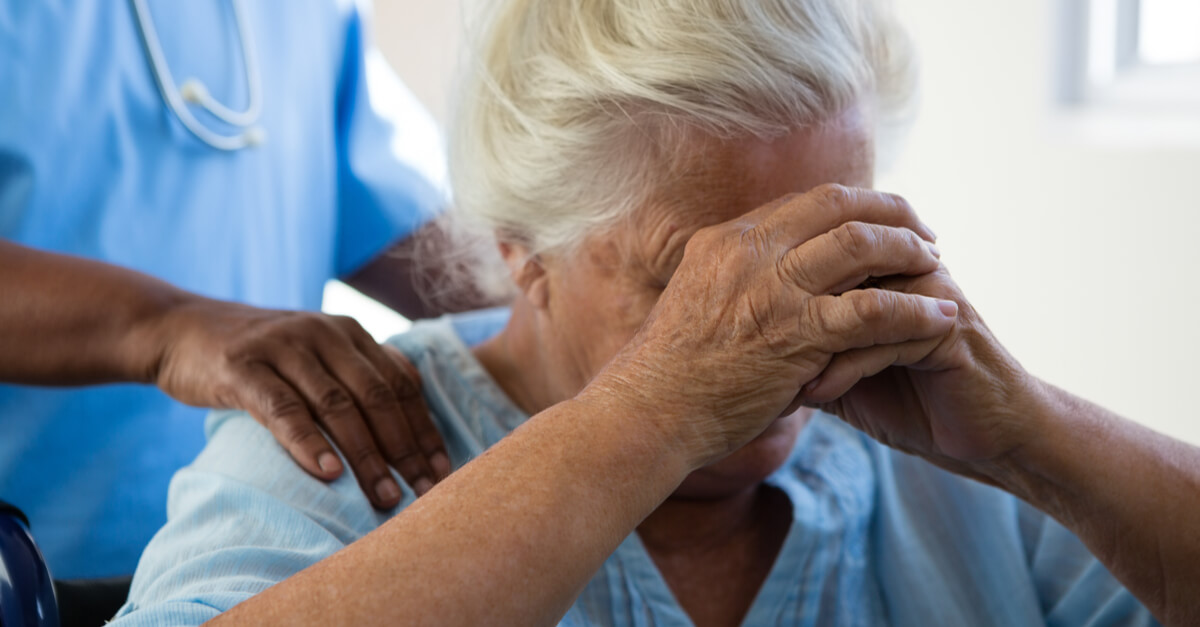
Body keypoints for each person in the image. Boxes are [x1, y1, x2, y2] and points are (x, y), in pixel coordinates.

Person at [113, 0, 1199, 625]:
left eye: (821, 254)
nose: (792, 327)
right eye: (699, 277)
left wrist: (1038, 441)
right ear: (521, 253)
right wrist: (660, 411)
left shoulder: (944, 463)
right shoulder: (342, 442)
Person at [0, 0, 460, 579]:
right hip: (33, 571)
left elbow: (409, 222)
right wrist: (165, 327)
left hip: (251, 556)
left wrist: (566, 264)